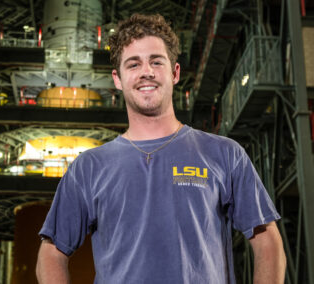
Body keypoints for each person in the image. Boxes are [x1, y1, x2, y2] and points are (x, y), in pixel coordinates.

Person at [36, 14, 286, 283]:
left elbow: (266, 241)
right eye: (133, 64)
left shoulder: (224, 154)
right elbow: (52, 253)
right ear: (117, 79)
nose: (147, 72)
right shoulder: (89, 167)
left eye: (156, 61)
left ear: (175, 72)